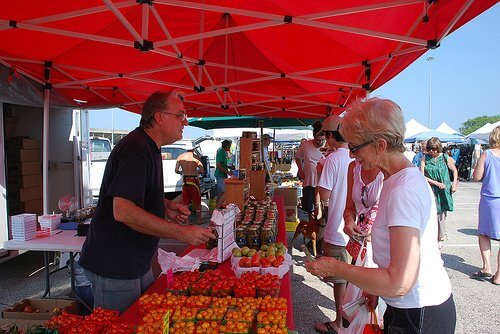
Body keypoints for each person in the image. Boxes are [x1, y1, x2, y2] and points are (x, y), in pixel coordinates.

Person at [306, 97, 456, 334]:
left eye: (355, 148)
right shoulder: (396, 179)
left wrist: (336, 268)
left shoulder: (403, 190)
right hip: (411, 307)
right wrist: (373, 288)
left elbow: (399, 282)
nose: (353, 156)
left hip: (419, 312)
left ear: (381, 145)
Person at [79, 90, 215, 313]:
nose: (186, 122)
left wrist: (163, 204)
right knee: (121, 327)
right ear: (160, 117)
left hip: (134, 262)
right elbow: (122, 211)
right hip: (116, 266)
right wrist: (181, 233)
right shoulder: (137, 149)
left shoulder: (149, 146)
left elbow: (133, 193)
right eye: (180, 115)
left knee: (142, 320)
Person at [313, 116, 353, 334]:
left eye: (325, 136)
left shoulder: (332, 160)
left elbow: (325, 194)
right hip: (355, 229)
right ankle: (350, 319)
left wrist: (320, 172)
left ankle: (339, 322)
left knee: (340, 280)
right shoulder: (355, 157)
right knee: (353, 278)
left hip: (338, 227)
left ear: (330, 135)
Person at [471, 125, 500, 285]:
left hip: (490, 199)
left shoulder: (487, 154)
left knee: (483, 233)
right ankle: (499, 275)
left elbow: (476, 176)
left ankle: (487, 266)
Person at [343, 158, 383, 261]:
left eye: (355, 147)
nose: (351, 154)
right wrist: (349, 221)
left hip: (382, 249)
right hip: (360, 246)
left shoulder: (391, 170)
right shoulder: (354, 166)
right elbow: (350, 207)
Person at [420, 137, 458, 242]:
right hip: (431, 188)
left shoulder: (445, 157)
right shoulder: (424, 158)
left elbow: (454, 170)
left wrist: (454, 183)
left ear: (438, 148)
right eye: (430, 149)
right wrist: (435, 183)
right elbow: (421, 175)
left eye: (434, 149)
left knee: (442, 213)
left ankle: (441, 235)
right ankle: (433, 234)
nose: (431, 151)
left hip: (443, 189)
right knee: (432, 211)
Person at [295, 121, 325, 214]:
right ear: (313, 137)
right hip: (308, 183)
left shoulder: (328, 147)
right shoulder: (305, 145)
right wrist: (300, 170)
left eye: (322, 140)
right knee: (308, 210)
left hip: (322, 184)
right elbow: (297, 158)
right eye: (317, 140)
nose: (320, 143)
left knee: (321, 211)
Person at [175, 149, 205, 225]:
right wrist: (196, 172)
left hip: (185, 180)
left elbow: (176, 170)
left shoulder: (180, 157)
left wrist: (182, 172)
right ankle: (199, 220)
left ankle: (187, 221)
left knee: (185, 202)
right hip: (193, 180)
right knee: (197, 202)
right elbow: (202, 170)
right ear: (193, 149)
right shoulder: (196, 157)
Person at [214, 139, 233, 208]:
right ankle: (218, 208)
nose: (230, 148)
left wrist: (229, 167)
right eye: (229, 146)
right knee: (226, 192)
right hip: (220, 176)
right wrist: (228, 172)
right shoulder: (221, 152)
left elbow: (222, 164)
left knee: (220, 193)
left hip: (221, 175)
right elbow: (218, 166)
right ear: (226, 146)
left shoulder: (223, 152)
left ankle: (216, 209)